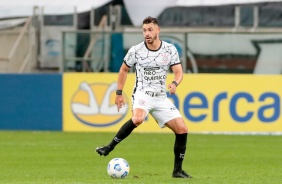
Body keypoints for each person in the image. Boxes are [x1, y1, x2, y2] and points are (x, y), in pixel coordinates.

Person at [96, 16, 192, 179]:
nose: (147, 33)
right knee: (138, 118)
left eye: (150, 30)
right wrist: (119, 93)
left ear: (158, 30)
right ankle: (109, 147)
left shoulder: (169, 50)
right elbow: (123, 70)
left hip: (161, 97)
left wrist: (175, 83)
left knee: (182, 130)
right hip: (143, 94)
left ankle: (177, 171)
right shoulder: (136, 50)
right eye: (144, 30)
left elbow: (178, 72)